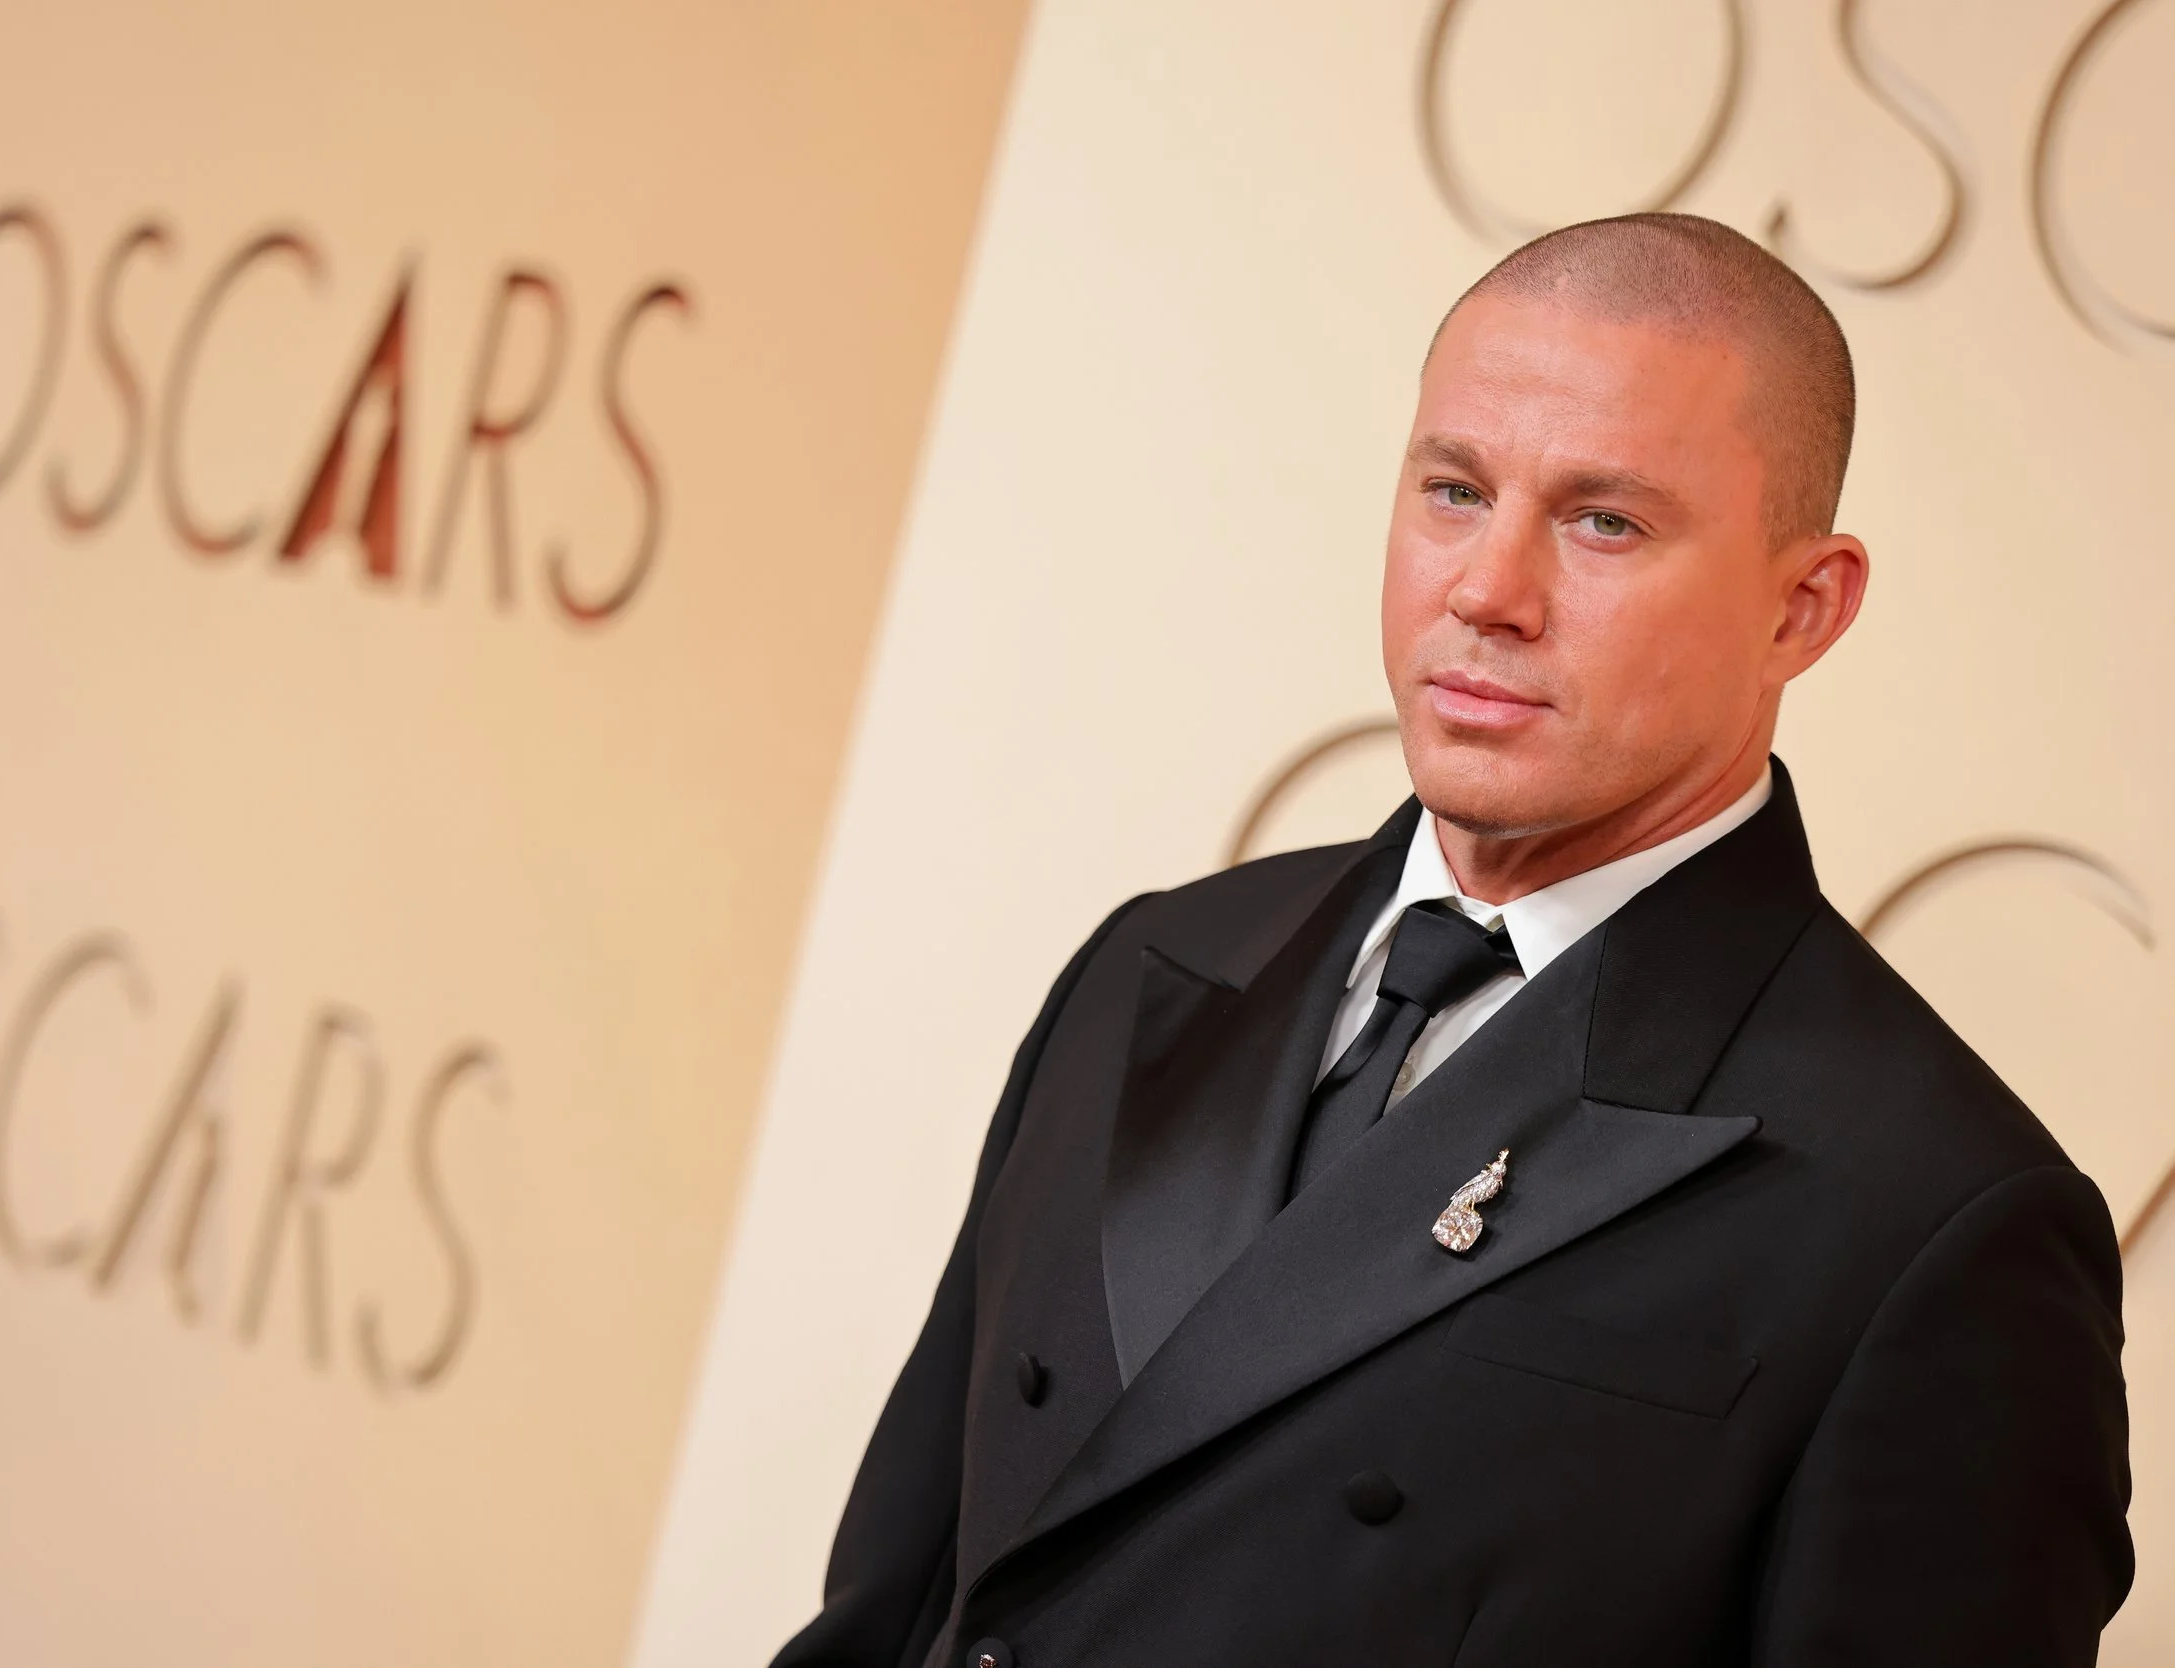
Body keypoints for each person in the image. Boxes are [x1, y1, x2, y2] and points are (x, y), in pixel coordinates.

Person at [770, 212, 2133, 1667]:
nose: (1488, 591)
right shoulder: (1151, 970)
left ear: (1805, 607)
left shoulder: (1932, 1215)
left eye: (1605, 521)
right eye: (1452, 490)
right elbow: (889, 1611)